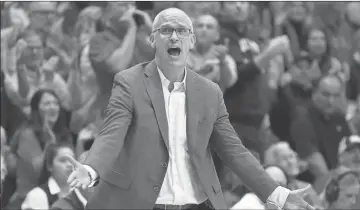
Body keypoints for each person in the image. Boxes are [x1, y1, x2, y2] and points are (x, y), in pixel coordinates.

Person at [65, 8, 313, 210]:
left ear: (191, 41)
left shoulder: (210, 92)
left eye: (182, 31)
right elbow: (111, 134)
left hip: (196, 204)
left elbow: (234, 151)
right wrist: (91, 168)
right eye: (166, 30)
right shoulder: (129, 82)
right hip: (141, 204)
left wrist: (277, 194)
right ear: (152, 39)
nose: (174, 36)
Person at [21, 143, 74, 210]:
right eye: (63, 160)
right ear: (50, 166)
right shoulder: (37, 196)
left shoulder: (82, 192)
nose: (70, 165)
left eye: (73, 160)